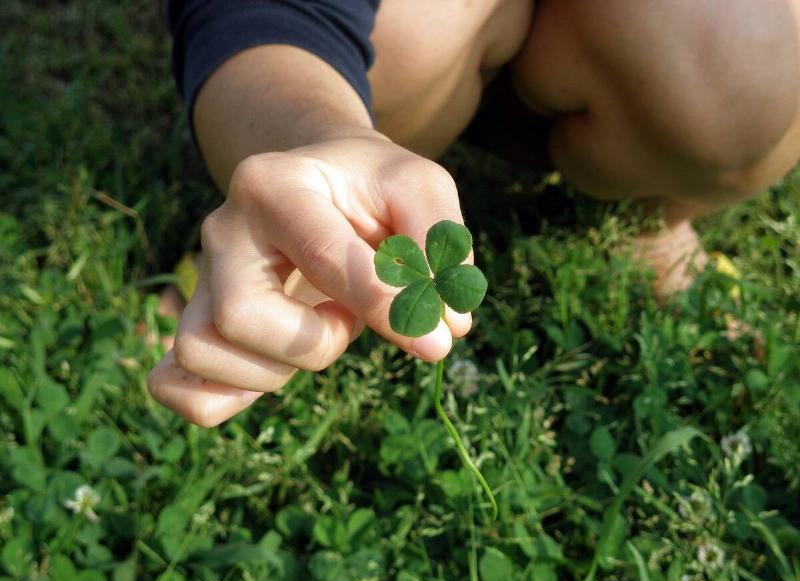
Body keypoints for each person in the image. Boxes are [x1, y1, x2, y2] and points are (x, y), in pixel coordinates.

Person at [149, 0, 800, 427]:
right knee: (420, 24)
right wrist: (309, 132)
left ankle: (650, 214)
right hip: (393, 51)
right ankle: (313, 221)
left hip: (617, 38)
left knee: (752, 52)